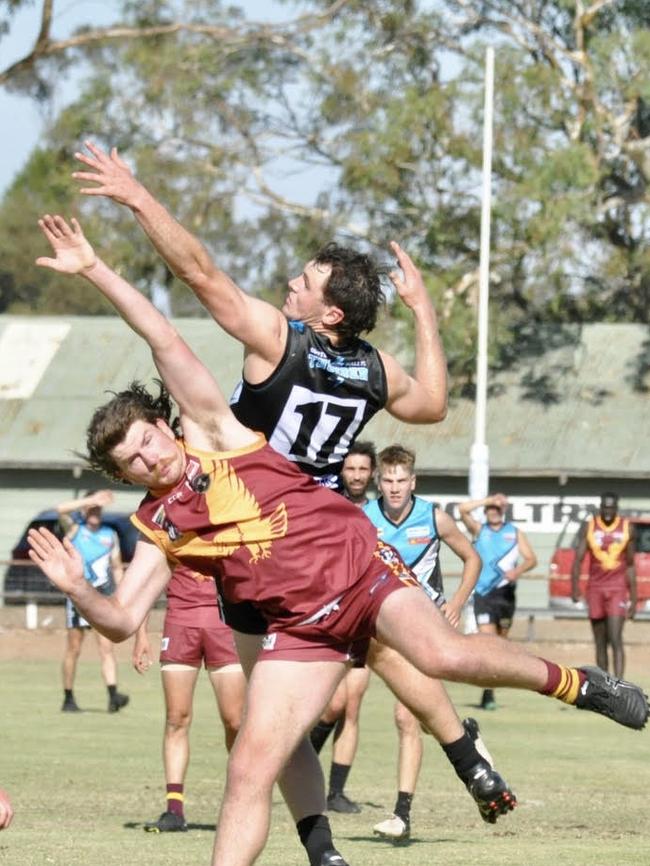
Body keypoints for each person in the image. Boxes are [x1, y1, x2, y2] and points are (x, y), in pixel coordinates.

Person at [29, 215, 649, 866]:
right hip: (295, 624)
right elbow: (122, 616)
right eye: (132, 461)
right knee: (248, 767)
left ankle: (580, 687)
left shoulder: (217, 431)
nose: (148, 458)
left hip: (353, 566)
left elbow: (163, 325)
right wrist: (75, 586)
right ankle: (328, 844)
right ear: (122, 475)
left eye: (149, 439)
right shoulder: (158, 524)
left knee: (443, 657)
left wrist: (96, 266)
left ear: (166, 422)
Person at [71, 142, 521, 832]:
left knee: (267, 709)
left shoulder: (281, 342)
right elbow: (431, 402)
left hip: (243, 519)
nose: (291, 283)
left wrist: (137, 198)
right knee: (391, 643)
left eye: (305, 280)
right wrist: (424, 309)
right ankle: (465, 754)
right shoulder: (373, 368)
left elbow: (198, 272)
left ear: (329, 311)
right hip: (326, 524)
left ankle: (320, 813)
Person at [366, 444, 482, 841]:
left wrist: (457, 602)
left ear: (413, 482)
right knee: (424, 716)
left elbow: (473, 559)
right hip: (383, 631)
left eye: (402, 481)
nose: (395, 488)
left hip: (426, 629)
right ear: (378, 481)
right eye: (388, 481)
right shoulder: (363, 518)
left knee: (405, 716)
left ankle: (402, 815)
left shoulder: (433, 516)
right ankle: (463, 733)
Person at [132, 564, 246, 833]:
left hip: (226, 627)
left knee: (235, 722)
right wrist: (141, 635)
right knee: (176, 718)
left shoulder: (231, 524)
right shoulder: (170, 525)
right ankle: (174, 810)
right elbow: (149, 581)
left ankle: (241, 802)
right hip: (180, 625)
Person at [310, 442, 376, 814]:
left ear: (371, 474)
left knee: (351, 705)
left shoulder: (379, 514)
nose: (355, 475)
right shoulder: (327, 506)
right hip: (327, 617)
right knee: (331, 705)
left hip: (364, 621)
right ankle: (299, 769)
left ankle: (335, 792)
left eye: (362, 469)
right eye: (350, 469)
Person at [459, 493, 537, 711]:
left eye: (498, 509)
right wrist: (489, 500)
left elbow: (531, 558)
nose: (494, 511)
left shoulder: (514, 533)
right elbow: (462, 509)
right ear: (486, 511)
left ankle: (491, 686)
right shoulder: (479, 530)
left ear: (503, 512)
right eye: (491, 509)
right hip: (484, 593)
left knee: (501, 644)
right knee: (488, 642)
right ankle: (487, 693)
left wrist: (518, 570)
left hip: (505, 595)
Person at [56, 489, 129, 713]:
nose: (96, 511)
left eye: (99, 507)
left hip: (103, 598)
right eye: (92, 508)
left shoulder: (109, 534)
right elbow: (60, 510)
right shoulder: (75, 529)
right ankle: (68, 697)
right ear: (85, 509)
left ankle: (113, 695)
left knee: (106, 648)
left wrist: (122, 595)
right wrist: (90, 500)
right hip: (78, 597)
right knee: (74, 648)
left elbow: (116, 567)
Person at [571, 492, 637, 677]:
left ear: (616, 508)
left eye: (611, 507)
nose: (607, 511)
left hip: (617, 589)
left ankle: (620, 687)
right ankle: (605, 686)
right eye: (604, 507)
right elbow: (578, 559)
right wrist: (574, 586)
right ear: (600, 507)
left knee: (615, 638)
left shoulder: (627, 528)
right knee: (600, 641)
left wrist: (633, 598)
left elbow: (631, 565)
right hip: (595, 589)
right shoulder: (589, 526)